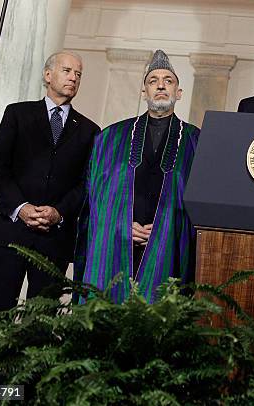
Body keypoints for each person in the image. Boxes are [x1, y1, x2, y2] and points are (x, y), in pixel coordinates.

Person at [75, 50, 200, 304]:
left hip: (169, 248)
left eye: (168, 80)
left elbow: (200, 203)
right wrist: (120, 224)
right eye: (153, 81)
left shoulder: (196, 141)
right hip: (117, 244)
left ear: (178, 93)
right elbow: (94, 199)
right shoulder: (110, 138)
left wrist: (165, 228)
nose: (161, 85)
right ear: (144, 92)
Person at [0, 51, 100, 316]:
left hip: (54, 238)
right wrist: (21, 207)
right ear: (48, 75)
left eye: (78, 74)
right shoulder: (17, 114)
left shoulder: (90, 130)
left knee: (41, 324)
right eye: (67, 71)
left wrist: (59, 212)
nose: (73, 78)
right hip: (10, 232)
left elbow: (86, 184)